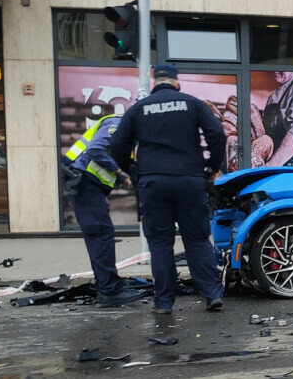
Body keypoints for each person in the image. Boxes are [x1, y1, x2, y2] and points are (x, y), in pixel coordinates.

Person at [110, 64, 226, 314]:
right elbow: (216, 133)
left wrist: (132, 169)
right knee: (196, 239)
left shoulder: (140, 108)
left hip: (153, 182)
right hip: (190, 180)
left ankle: (164, 303)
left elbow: (118, 143)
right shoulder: (191, 103)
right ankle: (212, 294)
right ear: (176, 82)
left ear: (154, 82)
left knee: (160, 244)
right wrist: (212, 166)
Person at [62, 114, 143, 308]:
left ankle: (109, 285)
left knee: (101, 234)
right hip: (84, 183)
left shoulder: (124, 129)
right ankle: (109, 291)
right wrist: (122, 176)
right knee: (100, 234)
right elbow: (95, 150)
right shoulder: (117, 123)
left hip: (88, 185)